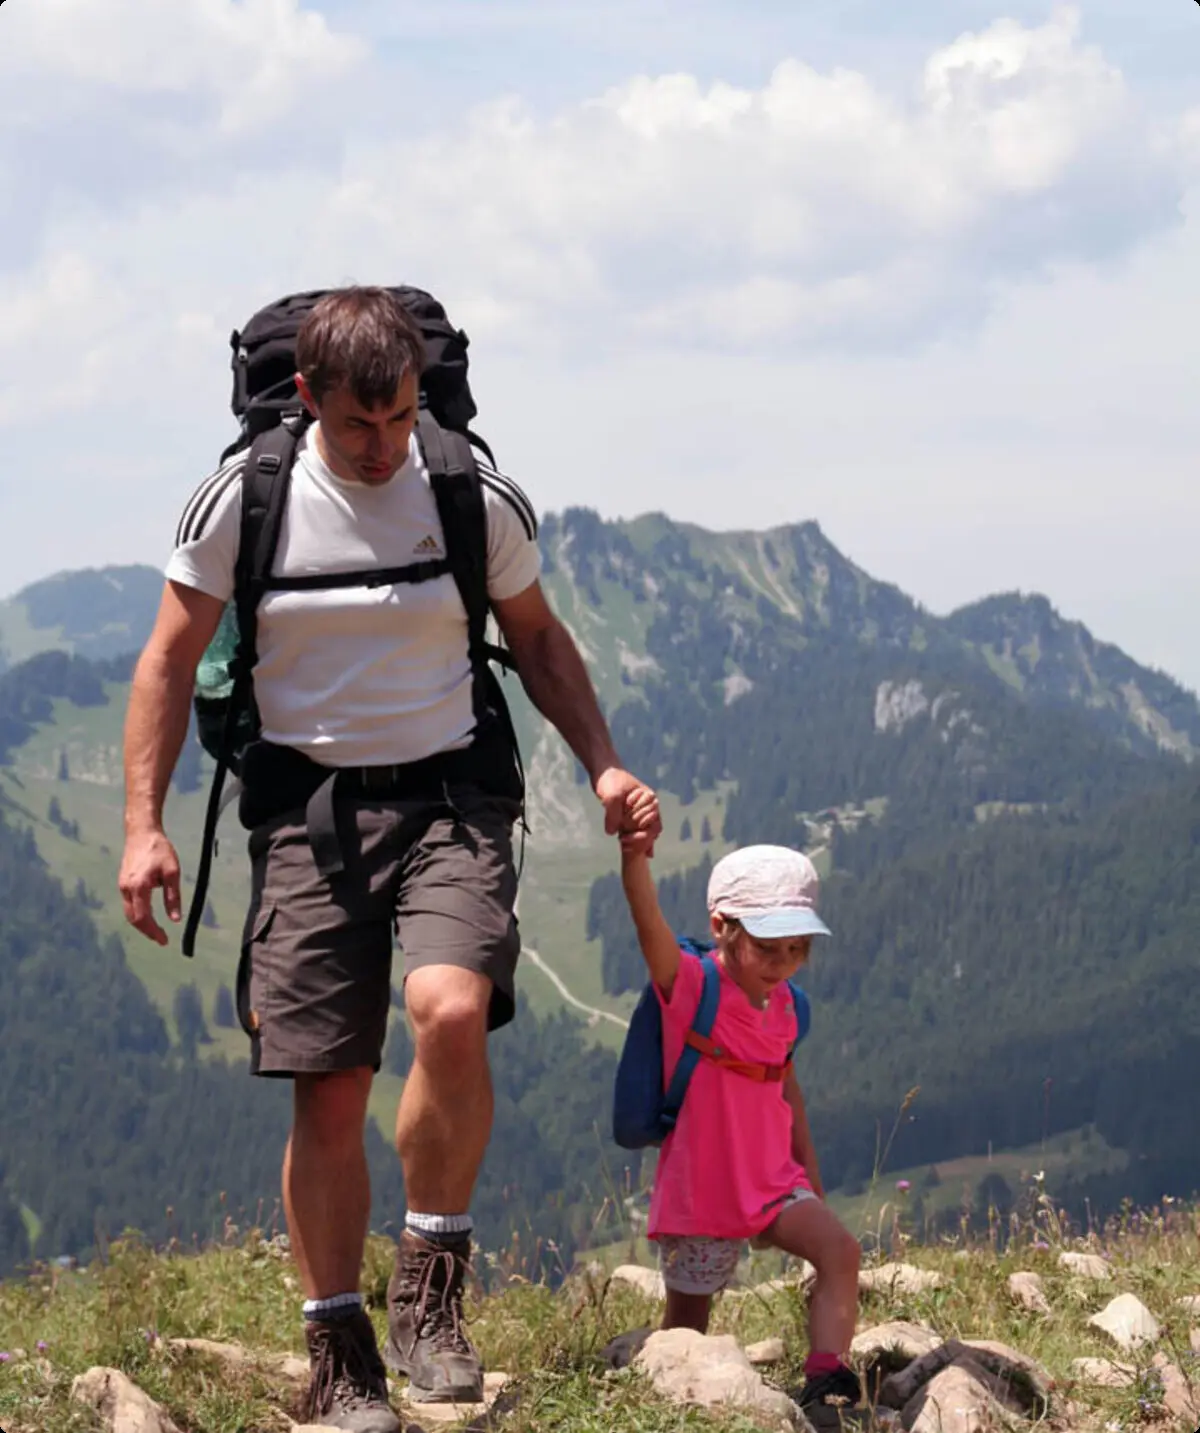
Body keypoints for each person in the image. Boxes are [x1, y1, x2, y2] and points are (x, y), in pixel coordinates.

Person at [118, 287, 662, 1433]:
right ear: (306, 397)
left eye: (403, 417)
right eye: (360, 424)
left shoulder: (466, 488)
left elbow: (542, 640)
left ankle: (433, 1287)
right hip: (305, 812)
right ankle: (337, 1347)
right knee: (328, 1089)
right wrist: (142, 824)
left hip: (453, 793)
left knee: (451, 1010)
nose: (384, 447)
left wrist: (604, 761)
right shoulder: (245, 499)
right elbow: (168, 659)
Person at [618, 823, 864, 1428]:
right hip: (705, 1189)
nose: (784, 965)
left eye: (798, 949)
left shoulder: (786, 1008)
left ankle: (826, 1381)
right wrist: (634, 859)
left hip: (773, 1180)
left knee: (840, 1253)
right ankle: (664, 1395)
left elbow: (789, 1096)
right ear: (722, 927)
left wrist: (812, 1183)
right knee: (687, 1330)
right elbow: (647, 925)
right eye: (768, 948)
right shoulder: (692, 986)